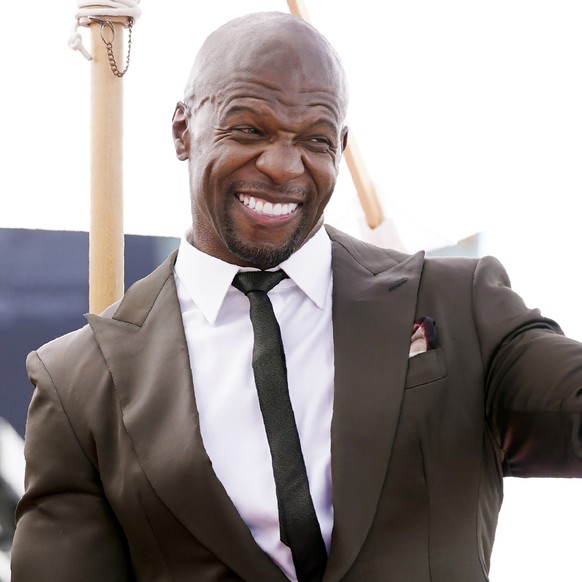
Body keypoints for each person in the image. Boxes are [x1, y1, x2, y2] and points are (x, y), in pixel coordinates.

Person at [10, 10, 582, 582]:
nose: (284, 167)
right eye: (249, 129)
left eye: (314, 139)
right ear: (182, 130)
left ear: (342, 144)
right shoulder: (79, 382)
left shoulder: (459, 305)